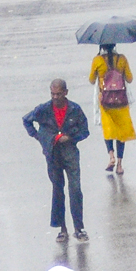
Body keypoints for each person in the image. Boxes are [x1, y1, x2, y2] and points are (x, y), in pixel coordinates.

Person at [23, 80, 89, 242]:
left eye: (58, 94)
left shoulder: (75, 109)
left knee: (75, 189)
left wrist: (71, 138)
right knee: (58, 189)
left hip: (70, 153)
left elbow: (85, 131)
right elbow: (27, 120)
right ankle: (62, 229)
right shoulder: (44, 109)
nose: (55, 97)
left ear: (66, 92)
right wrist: (41, 138)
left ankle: (79, 228)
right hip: (52, 154)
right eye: (52, 94)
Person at [87, 44, 135, 175]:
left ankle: (111, 156)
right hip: (121, 101)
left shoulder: (97, 60)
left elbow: (91, 80)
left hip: (106, 101)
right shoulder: (122, 59)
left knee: (108, 130)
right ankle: (119, 165)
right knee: (121, 133)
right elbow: (130, 79)